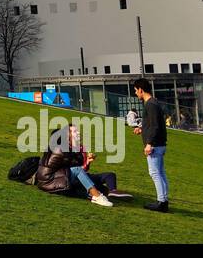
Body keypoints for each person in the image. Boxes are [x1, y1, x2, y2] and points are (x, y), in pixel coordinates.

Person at [34, 125, 125, 208]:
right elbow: (76, 168)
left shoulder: (70, 149)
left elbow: (76, 167)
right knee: (78, 171)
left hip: (60, 176)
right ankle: (96, 196)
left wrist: (86, 160)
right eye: (75, 131)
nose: (78, 133)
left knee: (103, 187)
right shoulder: (60, 149)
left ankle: (108, 193)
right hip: (49, 180)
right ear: (67, 136)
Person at [131, 78, 169, 212]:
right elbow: (153, 124)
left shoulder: (150, 104)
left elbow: (155, 126)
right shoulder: (153, 103)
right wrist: (142, 129)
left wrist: (149, 143)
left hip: (155, 145)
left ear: (141, 90)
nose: (136, 93)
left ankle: (161, 201)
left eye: (136, 91)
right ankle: (163, 200)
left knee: (154, 173)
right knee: (160, 173)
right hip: (159, 144)